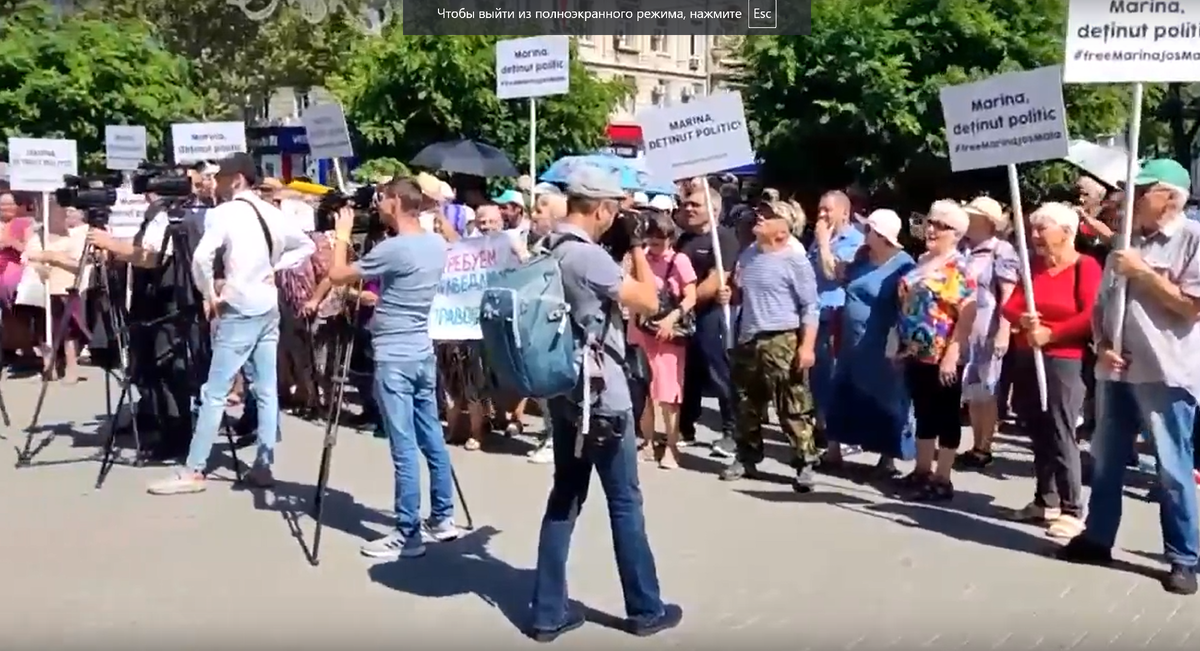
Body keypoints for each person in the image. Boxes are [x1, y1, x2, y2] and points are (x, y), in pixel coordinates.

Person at [527, 167, 680, 641]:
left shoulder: (545, 247)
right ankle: (645, 607)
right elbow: (650, 301)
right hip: (603, 397)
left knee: (564, 499)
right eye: (615, 211)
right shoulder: (589, 258)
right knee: (624, 503)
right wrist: (635, 247)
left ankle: (547, 612)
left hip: (564, 392)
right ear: (602, 209)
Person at [1058, 159, 1200, 595]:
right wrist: (1102, 344)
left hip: (1165, 370)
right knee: (1106, 460)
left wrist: (1143, 273)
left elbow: (1192, 306)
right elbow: (1104, 305)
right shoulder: (1126, 239)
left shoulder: (1192, 239)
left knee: (1172, 469)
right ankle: (1099, 537)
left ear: (1171, 198)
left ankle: (1183, 558)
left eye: (1143, 190)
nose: (1132, 198)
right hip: (1115, 369)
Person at [145, 152, 315, 495]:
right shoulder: (272, 212)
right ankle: (264, 465)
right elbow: (306, 245)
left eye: (220, 178)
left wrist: (210, 294)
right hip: (267, 305)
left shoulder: (223, 214)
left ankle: (194, 469)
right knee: (266, 389)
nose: (214, 183)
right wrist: (272, 269)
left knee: (215, 390)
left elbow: (201, 258)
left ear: (237, 180)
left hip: (239, 305)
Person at [326, 176, 461, 560]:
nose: (378, 205)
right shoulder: (435, 244)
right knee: (431, 436)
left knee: (403, 445)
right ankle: (442, 516)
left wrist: (341, 235)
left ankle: (407, 532)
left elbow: (338, 276)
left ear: (397, 202)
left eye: (383, 199)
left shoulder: (395, 249)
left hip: (395, 356)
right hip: (420, 351)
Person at [1000, 202, 1102, 539]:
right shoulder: (1033, 268)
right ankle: (1046, 499)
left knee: (1060, 429)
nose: (1035, 236)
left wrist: (1052, 333)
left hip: (1064, 358)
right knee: (1036, 427)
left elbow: (1090, 315)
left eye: (1042, 229)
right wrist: (1023, 320)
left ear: (1067, 232)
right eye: (1033, 229)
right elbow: (1011, 305)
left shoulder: (1084, 267)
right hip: (1028, 355)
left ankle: (1073, 507)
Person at [716, 198, 820, 491]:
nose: (759, 217)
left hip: (782, 337)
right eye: (760, 213)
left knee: (792, 404)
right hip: (749, 337)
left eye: (768, 215)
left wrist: (807, 346)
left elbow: (810, 306)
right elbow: (740, 294)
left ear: (784, 227)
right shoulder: (748, 254)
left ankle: (805, 462)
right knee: (746, 402)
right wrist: (730, 296)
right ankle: (746, 456)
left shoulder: (795, 260)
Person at [889, 200, 977, 501]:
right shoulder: (923, 260)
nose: (931, 229)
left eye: (941, 226)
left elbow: (966, 313)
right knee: (923, 411)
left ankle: (943, 477)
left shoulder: (958, 267)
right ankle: (922, 469)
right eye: (930, 222)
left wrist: (953, 353)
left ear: (956, 233)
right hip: (916, 351)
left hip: (943, 353)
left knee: (946, 414)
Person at [819, 209, 916, 474]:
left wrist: (904, 345)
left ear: (881, 235)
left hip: (881, 344)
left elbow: (908, 308)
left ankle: (887, 459)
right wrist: (823, 243)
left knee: (885, 398)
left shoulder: (904, 266)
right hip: (851, 341)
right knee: (842, 392)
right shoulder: (861, 258)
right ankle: (833, 451)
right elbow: (835, 274)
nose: (864, 234)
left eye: (868, 230)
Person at [628, 211, 697, 469]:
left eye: (659, 239)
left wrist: (672, 319)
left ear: (670, 238)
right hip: (642, 329)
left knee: (668, 392)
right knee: (643, 390)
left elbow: (690, 296)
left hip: (668, 334)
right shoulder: (641, 258)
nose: (653, 244)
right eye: (649, 238)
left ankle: (671, 446)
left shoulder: (679, 261)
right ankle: (647, 442)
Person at [675, 180, 739, 454]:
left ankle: (731, 432)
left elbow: (716, 281)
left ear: (713, 210)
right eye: (686, 203)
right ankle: (685, 427)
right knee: (687, 373)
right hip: (687, 316)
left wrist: (684, 305)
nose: (688, 208)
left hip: (711, 315)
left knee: (720, 373)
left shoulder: (723, 238)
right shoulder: (684, 239)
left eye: (695, 204)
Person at [956, 197, 1019, 469]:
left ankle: (985, 446)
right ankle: (975, 444)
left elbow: (1009, 294)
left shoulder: (1001, 250)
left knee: (988, 385)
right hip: (968, 323)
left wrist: (1004, 330)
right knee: (972, 385)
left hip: (989, 322)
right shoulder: (966, 249)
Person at [810, 191, 866, 451]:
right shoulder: (818, 240)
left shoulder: (855, 241)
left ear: (844, 212)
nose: (821, 215)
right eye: (819, 209)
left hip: (837, 315)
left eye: (827, 210)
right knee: (818, 377)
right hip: (815, 316)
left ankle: (844, 434)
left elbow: (833, 274)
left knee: (835, 375)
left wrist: (823, 244)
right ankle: (824, 429)